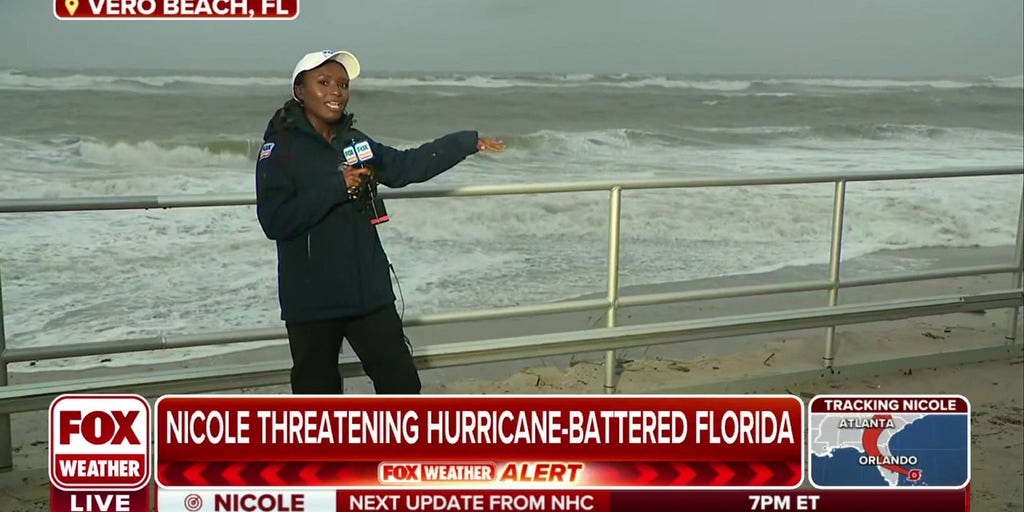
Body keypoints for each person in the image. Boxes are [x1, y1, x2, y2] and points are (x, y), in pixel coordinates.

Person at [254, 49, 505, 395]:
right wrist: (337, 186)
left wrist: (465, 143)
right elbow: (275, 220)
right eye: (323, 82)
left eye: (342, 84)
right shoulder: (279, 150)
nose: (336, 91)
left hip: (368, 293)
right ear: (299, 91)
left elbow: (406, 167)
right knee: (318, 395)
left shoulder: (356, 142)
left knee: (401, 384)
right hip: (311, 299)